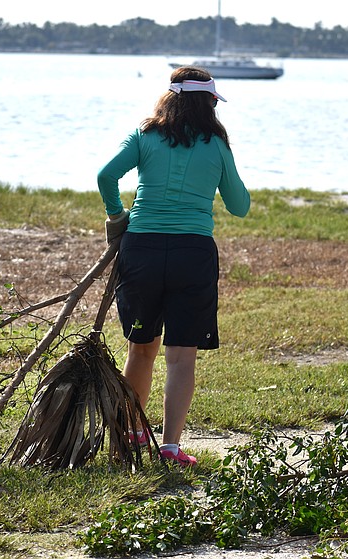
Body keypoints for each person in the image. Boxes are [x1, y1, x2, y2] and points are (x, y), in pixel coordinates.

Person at [98, 66, 251, 467]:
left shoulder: (145, 135)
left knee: (141, 347)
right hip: (192, 254)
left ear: (169, 97)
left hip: (142, 250)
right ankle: (169, 448)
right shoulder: (216, 143)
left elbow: (105, 176)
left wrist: (118, 216)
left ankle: (132, 436)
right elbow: (240, 206)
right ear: (210, 104)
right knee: (181, 356)